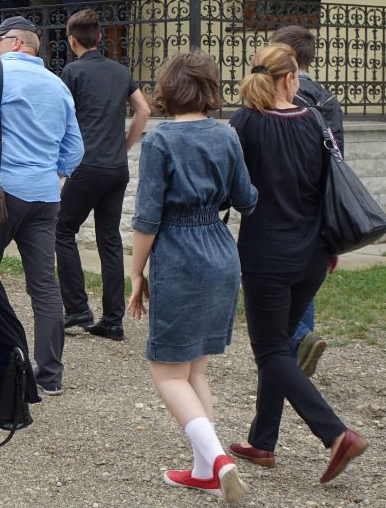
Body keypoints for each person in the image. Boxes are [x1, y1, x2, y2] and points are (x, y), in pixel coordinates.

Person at [227, 43, 368, 484]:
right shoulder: (314, 122)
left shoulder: (244, 123)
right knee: (280, 348)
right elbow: (329, 187)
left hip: (267, 255)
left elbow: (232, 186)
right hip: (313, 253)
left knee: (271, 351)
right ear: (292, 78)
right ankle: (262, 442)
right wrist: (332, 247)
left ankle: (336, 434)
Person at [127, 51, 256, 505]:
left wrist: (135, 272)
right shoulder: (226, 135)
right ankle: (204, 470)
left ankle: (218, 461)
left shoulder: (161, 140)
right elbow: (247, 199)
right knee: (196, 366)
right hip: (221, 251)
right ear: (209, 89)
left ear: (168, 88)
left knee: (166, 372)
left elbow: (147, 218)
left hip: (180, 256)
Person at [0, 16, 83, 395]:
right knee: (44, 285)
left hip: (2, 193)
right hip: (45, 195)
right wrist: (52, 172)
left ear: (17, 42)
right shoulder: (57, 84)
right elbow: (75, 149)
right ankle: (50, 374)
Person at [55, 9, 151, 340]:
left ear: (72, 41)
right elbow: (144, 109)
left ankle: (77, 307)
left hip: (86, 165)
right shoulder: (120, 71)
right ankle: (113, 320)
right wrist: (125, 146)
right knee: (109, 240)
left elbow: (62, 117)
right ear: (99, 38)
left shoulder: (72, 71)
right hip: (116, 167)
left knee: (61, 229)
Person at [270, 24, 344, 377]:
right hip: (319, 203)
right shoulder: (328, 101)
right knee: (305, 282)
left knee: (271, 283)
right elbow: (338, 158)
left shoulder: (285, 98)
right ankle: (298, 352)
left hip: (284, 204)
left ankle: (296, 343)